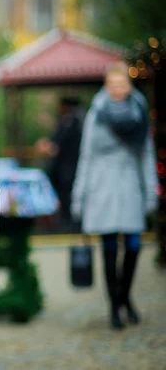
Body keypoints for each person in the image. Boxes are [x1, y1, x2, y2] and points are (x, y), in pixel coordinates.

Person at [71, 62, 158, 330]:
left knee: (133, 245)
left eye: (123, 84)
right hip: (102, 187)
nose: (118, 89)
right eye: (113, 84)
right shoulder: (96, 113)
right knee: (109, 247)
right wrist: (80, 195)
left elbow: (147, 154)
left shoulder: (139, 111)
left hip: (130, 183)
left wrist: (151, 190)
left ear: (129, 85)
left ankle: (125, 297)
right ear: (107, 86)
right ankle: (114, 308)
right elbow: (86, 156)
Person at [35, 96, 83, 233]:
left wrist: (46, 146)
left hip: (67, 168)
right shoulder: (76, 122)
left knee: (65, 197)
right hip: (67, 167)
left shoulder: (70, 122)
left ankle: (67, 224)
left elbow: (56, 147)